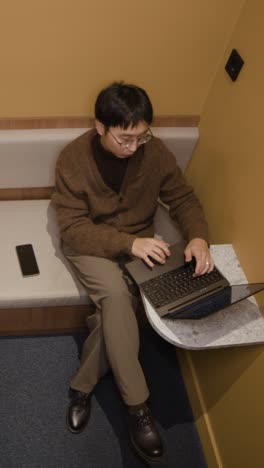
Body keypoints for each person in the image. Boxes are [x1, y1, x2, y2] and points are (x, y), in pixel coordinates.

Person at [52, 81, 214, 463]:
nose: (134, 147)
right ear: (100, 127)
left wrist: (199, 238)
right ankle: (138, 408)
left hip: (140, 240)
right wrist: (129, 244)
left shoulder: (154, 153)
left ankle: (82, 385)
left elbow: (183, 198)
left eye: (141, 137)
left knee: (126, 311)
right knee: (117, 295)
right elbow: (73, 228)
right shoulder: (72, 159)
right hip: (91, 244)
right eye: (125, 139)